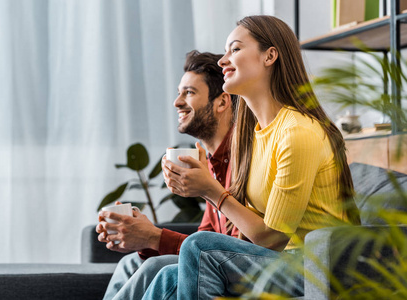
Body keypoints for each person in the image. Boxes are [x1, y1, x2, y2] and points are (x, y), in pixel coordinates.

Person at [145, 15, 361, 299]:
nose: (223, 60)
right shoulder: (254, 134)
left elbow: (272, 238)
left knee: (200, 248)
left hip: (317, 267)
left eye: (234, 49)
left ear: (270, 56)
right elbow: (248, 231)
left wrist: (210, 189)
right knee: (165, 276)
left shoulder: (297, 132)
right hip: (281, 263)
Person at [96, 50, 239, 300]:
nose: (177, 102)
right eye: (179, 92)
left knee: (154, 266)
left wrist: (154, 237)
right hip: (216, 262)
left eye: (189, 93)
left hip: (237, 269)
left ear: (222, 102)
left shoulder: (243, 160)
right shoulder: (210, 163)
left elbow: (226, 253)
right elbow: (206, 240)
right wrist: (145, 236)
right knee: (130, 263)